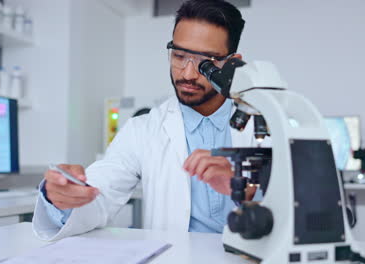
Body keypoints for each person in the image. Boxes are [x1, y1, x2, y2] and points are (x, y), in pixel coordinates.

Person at [33, 0, 267, 241]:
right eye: (179, 55)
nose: (187, 73)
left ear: (232, 63)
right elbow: (99, 194)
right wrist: (65, 197)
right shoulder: (143, 129)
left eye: (205, 63)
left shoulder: (268, 124)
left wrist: (245, 189)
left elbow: (298, 206)